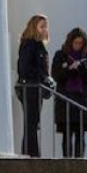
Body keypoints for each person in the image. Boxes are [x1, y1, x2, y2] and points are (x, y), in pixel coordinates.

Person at [51, 28, 87, 158]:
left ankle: (80, 164)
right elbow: (55, 75)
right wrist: (69, 69)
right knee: (66, 136)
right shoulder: (60, 55)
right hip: (65, 103)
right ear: (70, 42)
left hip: (82, 103)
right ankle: (66, 164)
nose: (78, 46)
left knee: (80, 136)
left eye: (81, 43)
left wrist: (84, 69)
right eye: (76, 43)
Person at [15, 15, 52, 157]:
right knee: (31, 123)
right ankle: (31, 155)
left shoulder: (38, 45)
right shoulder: (29, 44)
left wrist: (46, 79)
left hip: (36, 89)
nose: (45, 29)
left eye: (46, 26)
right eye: (42, 26)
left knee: (33, 123)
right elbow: (24, 69)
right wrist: (44, 77)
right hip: (29, 88)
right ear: (34, 27)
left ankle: (31, 155)